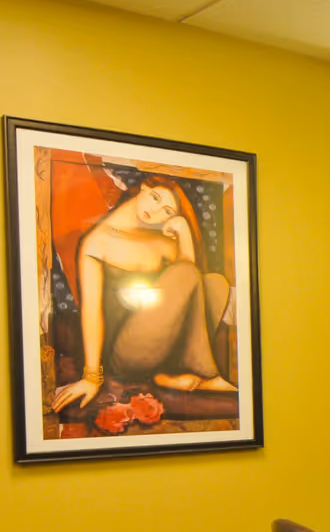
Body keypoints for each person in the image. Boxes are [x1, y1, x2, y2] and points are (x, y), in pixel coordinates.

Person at [50, 174, 234, 414]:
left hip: (163, 345)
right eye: (155, 198)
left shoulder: (160, 239)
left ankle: (167, 376)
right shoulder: (96, 241)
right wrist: (92, 377)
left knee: (215, 284)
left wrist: (183, 230)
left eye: (167, 211)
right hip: (126, 350)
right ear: (144, 188)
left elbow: (193, 289)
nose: (156, 211)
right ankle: (207, 374)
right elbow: (91, 309)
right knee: (187, 274)